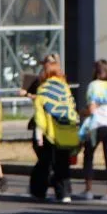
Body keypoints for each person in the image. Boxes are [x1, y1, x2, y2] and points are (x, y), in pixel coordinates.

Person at [31, 56, 79, 203]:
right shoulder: (65, 88)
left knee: (45, 162)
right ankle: (64, 193)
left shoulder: (43, 90)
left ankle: (39, 191)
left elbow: (40, 116)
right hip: (67, 129)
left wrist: (39, 134)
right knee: (63, 163)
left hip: (51, 132)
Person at [81, 59, 107, 203]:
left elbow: (92, 109)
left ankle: (88, 189)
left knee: (89, 155)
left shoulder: (93, 85)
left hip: (96, 124)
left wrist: (82, 112)